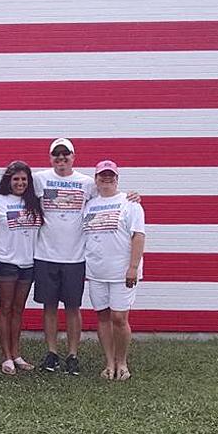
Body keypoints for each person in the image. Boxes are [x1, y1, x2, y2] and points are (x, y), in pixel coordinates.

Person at [32, 138, 94, 375]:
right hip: (46, 254)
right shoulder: (40, 179)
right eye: (56, 155)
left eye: (65, 154)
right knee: (49, 306)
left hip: (75, 256)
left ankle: (72, 354)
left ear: (73, 156)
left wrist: (131, 197)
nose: (61, 159)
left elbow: (110, 195)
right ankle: (52, 353)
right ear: (50, 158)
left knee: (72, 307)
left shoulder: (87, 183)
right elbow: (14, 187)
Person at [82, 160, 146, 381]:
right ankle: (109, 362)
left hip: (122, 272)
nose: (106, 179)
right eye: (102, 175)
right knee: (102, 316)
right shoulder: (89, 204)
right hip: (96, 271)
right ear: (96, 179)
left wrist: (133, 267)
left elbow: (138, 236)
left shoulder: (130, 203)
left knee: (119, 317)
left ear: (117, 178)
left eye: (111, 175)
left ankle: (122, 361)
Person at [0, 161, 43, 375]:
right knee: (6, 308)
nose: (20, 183)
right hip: (6, 262)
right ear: (8, 181)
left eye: (24, 179)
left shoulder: (35, 202)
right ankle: (6, 356)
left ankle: (16, 354)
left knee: (19, 310)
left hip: (29, 263)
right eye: (16, 179)